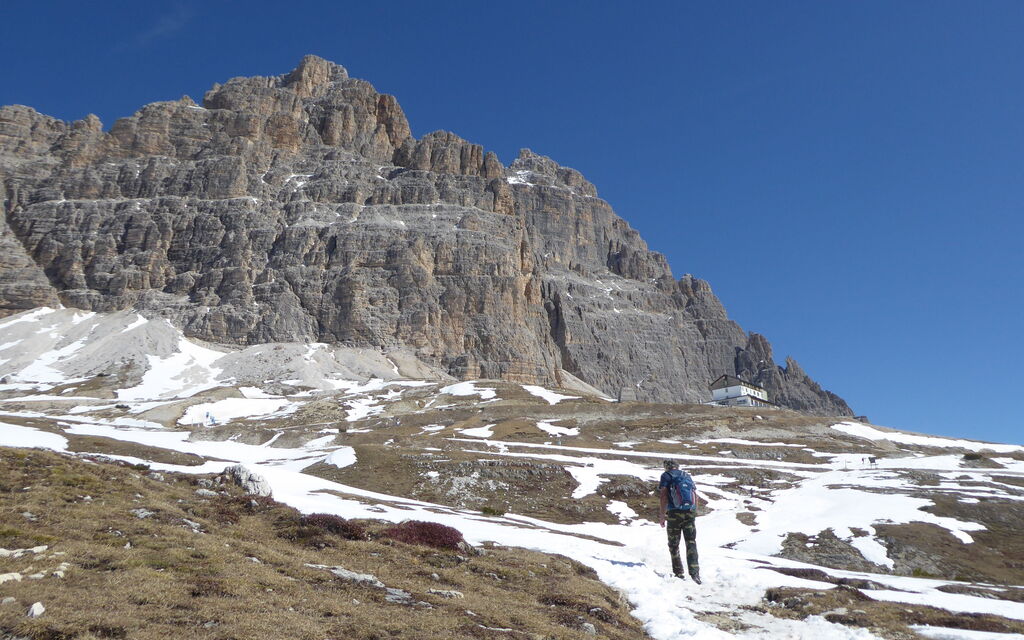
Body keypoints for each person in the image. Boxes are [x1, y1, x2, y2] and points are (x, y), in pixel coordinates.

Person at [659, 459, 701, 583]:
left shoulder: (666, 476)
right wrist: (694, 511)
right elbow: (695, 495)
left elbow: (663, 496)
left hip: (674, 514)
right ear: (677, 466)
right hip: (689, 513)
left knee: (673, 544)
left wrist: (662, 515)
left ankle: (678, 572)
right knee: (691, 542)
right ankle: (695, 574)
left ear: (666, 467)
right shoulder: (686, 475)